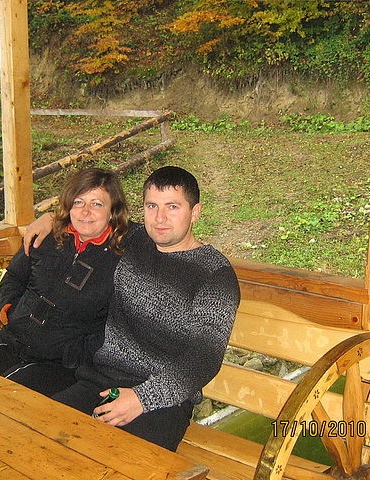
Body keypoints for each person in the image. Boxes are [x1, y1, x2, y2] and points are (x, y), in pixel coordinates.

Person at [24, 166, 240, 451]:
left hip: (160, 402)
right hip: (99, 381)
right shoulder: (135, 240)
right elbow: (93, 218)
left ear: (195, 212)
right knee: (36, 440)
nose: (160, 218)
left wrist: (143, 398)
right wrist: (51, 218)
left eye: (172, 207)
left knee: (119, 462)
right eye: (152, 206)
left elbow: (205, 357)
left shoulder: (214, 274)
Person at [0, 168, 130, 396]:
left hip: (58, 363)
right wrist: (9, 310)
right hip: (12, 339)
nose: (85, 211)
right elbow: (14, 277)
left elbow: (119, 324)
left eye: (97, 204)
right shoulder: (46, 237)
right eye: (78, 202)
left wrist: (75, 352)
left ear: (113, 211)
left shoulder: (121, 259)